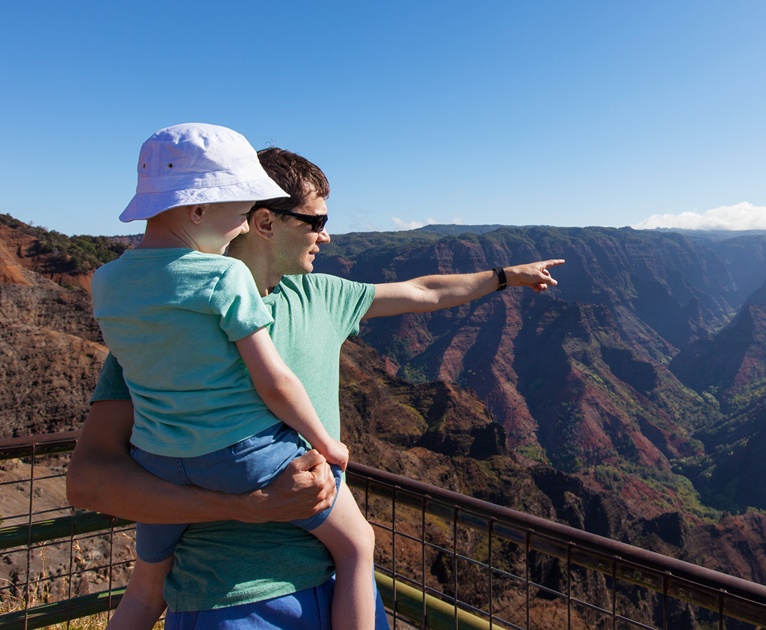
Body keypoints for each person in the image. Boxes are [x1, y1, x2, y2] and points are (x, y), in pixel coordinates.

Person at [66, 145, 564, 628]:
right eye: (316, 221)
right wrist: (245, 508)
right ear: (264, 222)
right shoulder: (171, 328)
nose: (326, 237)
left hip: (340, 589)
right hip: (231, 601)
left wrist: (505, 276)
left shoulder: (320, 296)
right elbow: (88, 482)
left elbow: (423, 291)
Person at [90, 124, 374, 629]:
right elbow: (276, 382)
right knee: (359, 545)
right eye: (239, 210)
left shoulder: (107, 280)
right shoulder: (224, 277)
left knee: (144, 587)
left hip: (157, 461)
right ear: (198, 209)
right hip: (240, 457)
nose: (243, 224)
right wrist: (326, 444)